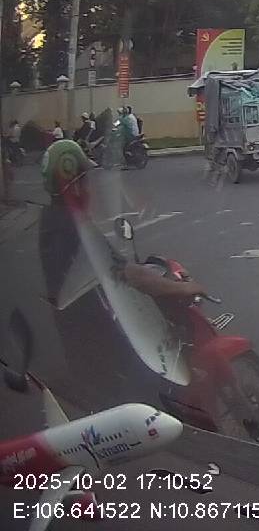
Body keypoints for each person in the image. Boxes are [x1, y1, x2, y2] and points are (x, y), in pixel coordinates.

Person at [38, 138, 204, 406]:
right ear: (73, 185)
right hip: (100, 340)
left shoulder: (53, 218)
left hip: (79, 334)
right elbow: (129, 274)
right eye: (84, 180)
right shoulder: (74, 229)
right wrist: (183, 288)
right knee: (157, 378)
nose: (90, 188)